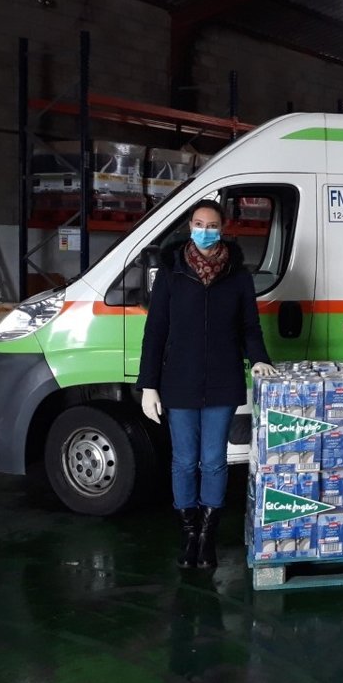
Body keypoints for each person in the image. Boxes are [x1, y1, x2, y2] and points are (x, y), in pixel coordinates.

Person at [136, 199, 276, 569]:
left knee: (213, 462)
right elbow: (155, 331)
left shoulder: (238, 275)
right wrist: (148, 385)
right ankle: (188, 535)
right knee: (184, 461)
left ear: (222, 228)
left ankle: (207, 537)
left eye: (212, 225)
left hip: (222, 380)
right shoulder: (171, 272)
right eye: (198, 224)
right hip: (178, 381)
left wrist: (259, 359)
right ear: (190, 227)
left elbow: (249, 326)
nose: (205, 231)